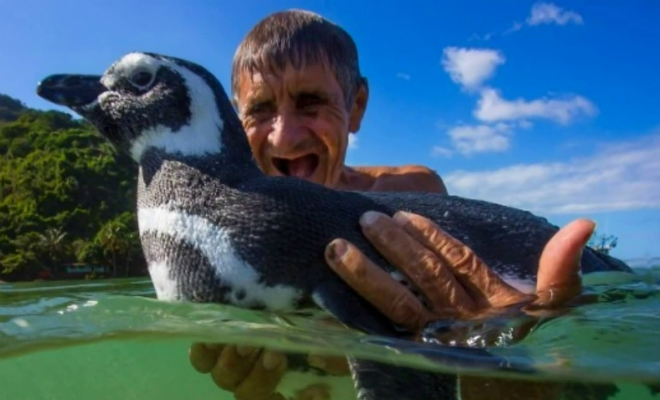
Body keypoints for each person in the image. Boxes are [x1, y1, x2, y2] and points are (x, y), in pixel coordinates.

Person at [188, 9, 592, 400]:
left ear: (356, 106)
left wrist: (498, 341)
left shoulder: (413, 191)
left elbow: (458, 324)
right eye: (260, 109)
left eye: (310, 102)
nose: (284, 137)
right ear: (237, 119)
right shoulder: (223, 230)